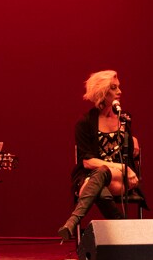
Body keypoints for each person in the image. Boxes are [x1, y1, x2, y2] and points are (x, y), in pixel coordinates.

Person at [58, 69, 146, 241]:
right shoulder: (85, 123)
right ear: (102, 92)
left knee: (94, 184)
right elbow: (88, 162)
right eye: (114, 88)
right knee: (100, 177)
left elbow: (127, 150)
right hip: (95, 175)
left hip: (121, 178)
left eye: (119, 87)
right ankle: (124, 230)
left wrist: (132, 138)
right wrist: (122, 167)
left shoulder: (124, 119)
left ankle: (73, 221)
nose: (119, 92)